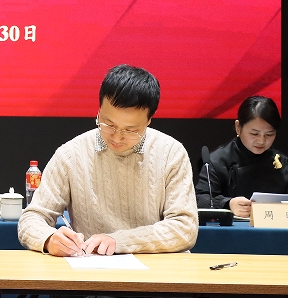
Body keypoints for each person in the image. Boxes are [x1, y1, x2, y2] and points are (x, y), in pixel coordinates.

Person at [17, 64, 198, 256]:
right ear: (99, 110)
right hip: (92, 267)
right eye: (108, 124)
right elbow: (31, 218)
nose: (117, 137)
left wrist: (120, 241)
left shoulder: (170, 153)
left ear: (149, 121)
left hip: (158, 270)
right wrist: (48, 239)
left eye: (130, 130)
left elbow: (185, 229)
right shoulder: (71, 155)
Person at [195, 95, 288, 218]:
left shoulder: (284, 164)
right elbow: (199, 199)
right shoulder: (217, 161)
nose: (261, 141)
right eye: (254, 134)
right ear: (238, 127)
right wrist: (227, 204)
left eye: (269, 134)